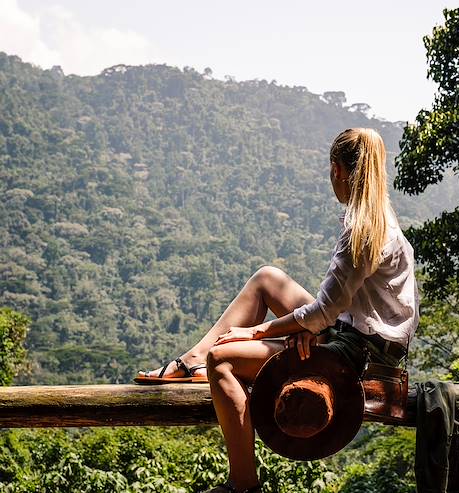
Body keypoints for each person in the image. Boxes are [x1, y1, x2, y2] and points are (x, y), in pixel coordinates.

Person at [135, 128, 419, 493]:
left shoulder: (362, 233)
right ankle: (191, 360)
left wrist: (257, 332)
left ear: (338, 170)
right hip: (358, 335)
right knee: (267, 279)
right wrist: (310, 326)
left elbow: (322, 313)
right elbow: (332, 312)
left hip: (356, 353)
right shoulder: (382, 223)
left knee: (222, 360)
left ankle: (242, 484)